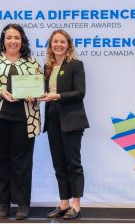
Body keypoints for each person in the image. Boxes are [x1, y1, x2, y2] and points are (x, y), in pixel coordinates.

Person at [0, 23, 42, 220]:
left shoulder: (31, 62)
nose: (13, 41)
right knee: (0, 160)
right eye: (9, 38)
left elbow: (40, 88)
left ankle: (22, 204)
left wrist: (34, 96)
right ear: (3, 40)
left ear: (22, 41)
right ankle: (3, 204)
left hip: (24, 119)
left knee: (22, 163)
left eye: (17, 38)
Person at [40, 29, 89, 220]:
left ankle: (76, 205)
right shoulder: (47, 67)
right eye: (55, 42)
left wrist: (57, 96)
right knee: (58, 163)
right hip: (52, 119)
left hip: (72, 120)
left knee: (73, 164)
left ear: (68, 45)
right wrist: (32, 96)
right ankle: (63, 203)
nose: (58, 45)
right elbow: (43, 92)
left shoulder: (76, 65)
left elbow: (80, 93)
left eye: (62, 42)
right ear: (50, 45)